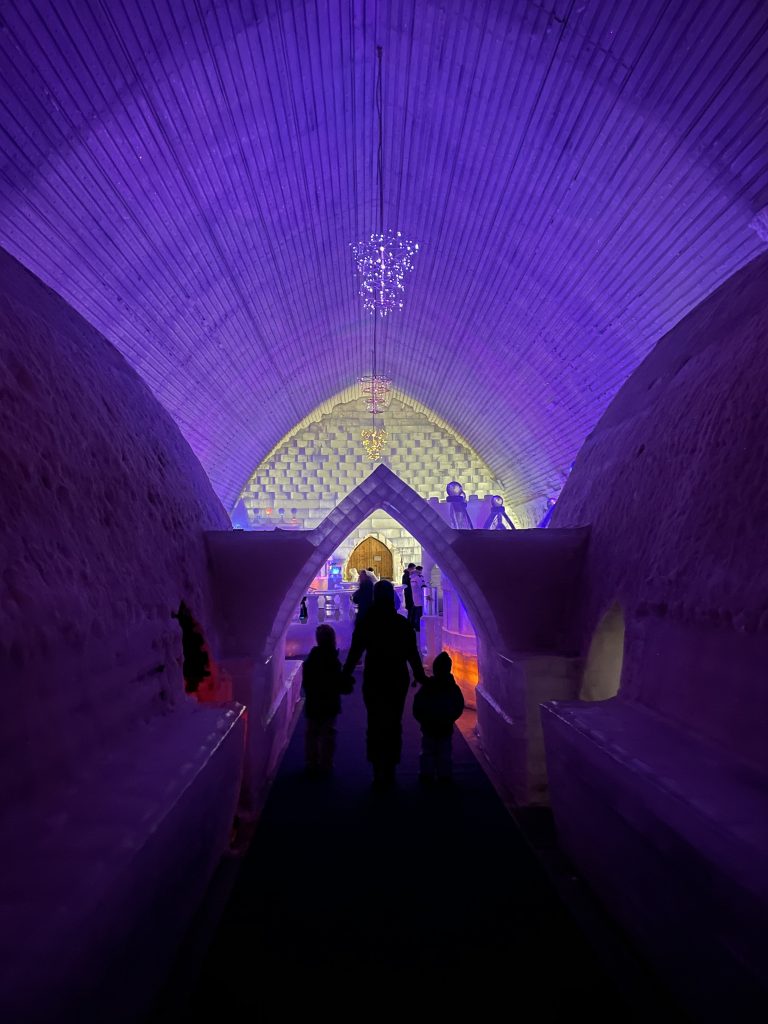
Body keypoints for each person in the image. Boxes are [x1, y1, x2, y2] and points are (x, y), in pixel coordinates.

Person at [342, 579, 427, 787]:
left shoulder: (367, 622)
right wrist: (420, 676)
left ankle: (377, 768)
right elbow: (412, 654)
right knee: (393, 722)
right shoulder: (401, 623)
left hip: (374, 677)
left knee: (375, 721)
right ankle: (390, 766)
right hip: (397, 678)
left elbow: (355, 652)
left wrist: (345, 674)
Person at [301, 624, 347, 777]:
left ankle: (311, 762)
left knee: (312, 732)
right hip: (330, 703)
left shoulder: (311, 660)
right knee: (328, 733)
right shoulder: (333, 661)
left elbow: (306, 682)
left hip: (314, 702)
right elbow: (338, 683)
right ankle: (326, 763)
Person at [412, 652, 465, 784]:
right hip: (445, 727)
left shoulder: (427, 687)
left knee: (427, 751)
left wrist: (422, 718)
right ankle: (445, 775)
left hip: (428, 726)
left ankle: (426, 774)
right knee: (445, 752)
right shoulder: (453, 688)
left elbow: (418, 703)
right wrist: (451, 718)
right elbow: (459, 705)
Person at [408, 565, 426, 639]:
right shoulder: (417, 578)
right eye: (420, 570)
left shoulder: (412, 578)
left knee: (416, 612)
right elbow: (422, 586)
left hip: (416, 598)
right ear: (419, 570)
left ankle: (415, 625)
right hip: (419, 598)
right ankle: (418, 627)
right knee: (418, 613)